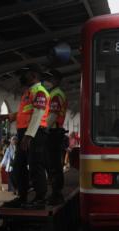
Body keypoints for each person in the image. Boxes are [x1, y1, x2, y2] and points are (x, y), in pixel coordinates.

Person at [0, 64, 51, 208]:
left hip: (35, 133)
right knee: (19, 166)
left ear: (34, 75)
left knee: (35, 165)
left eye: (25, 74)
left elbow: (38, 114)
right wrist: (9, 116)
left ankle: (40, 198)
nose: (22, 77)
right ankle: (22, 196)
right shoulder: (28, 92)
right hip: (25, 133)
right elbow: (25, 112)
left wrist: (28, 136)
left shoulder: (40, 92)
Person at [44, 70, 68, 205]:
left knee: (53, 164)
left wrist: (43, 129)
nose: (47, 82)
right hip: (54, 132)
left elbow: (52, 115)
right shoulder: (53, 94)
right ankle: (55, 192)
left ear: (56, 80)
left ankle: (56, 193)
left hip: (53, 132)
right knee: (53, 163)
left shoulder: (56, 94)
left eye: (49, 79)